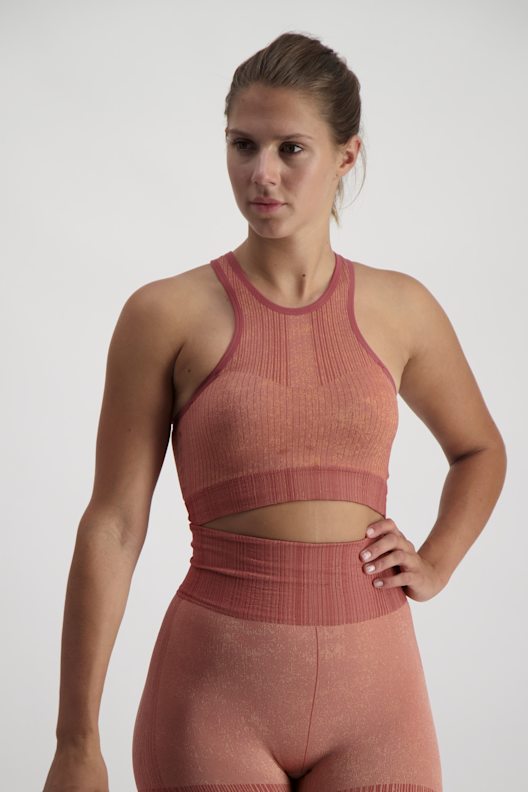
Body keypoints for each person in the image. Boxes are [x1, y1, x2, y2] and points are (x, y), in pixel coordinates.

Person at [43, 31, 507, 792]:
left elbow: (480, 450)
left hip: (380, 702)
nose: (262, 174)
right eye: (243, 145)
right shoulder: (165, 314)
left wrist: (437, 561)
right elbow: (115, 525)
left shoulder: (403, 309)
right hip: (214, 698)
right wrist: (75, 742)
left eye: (291, 149)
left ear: (347, 156)